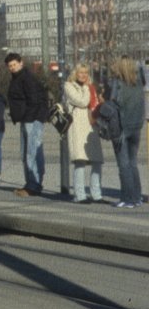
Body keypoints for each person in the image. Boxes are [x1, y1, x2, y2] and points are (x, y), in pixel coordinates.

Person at [5, 51, 49, 196]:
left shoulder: (26, 78)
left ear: (21, 62)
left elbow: (34, 100)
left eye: (14, 65)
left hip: (32, 119)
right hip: (27, 118)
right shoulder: (19, 78)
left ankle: (33, 185)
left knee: (32, 152)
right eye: (10, 66)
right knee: (27, 152)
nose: (12, 68)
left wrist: (28, 117)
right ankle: (31, 183)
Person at [107, 56, 146, 208]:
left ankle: (127, 198)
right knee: (133, 163)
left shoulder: (118, 82)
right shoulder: (138, 82)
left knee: (123, 164)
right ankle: (137, 197)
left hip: (122, 127)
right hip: (137, 126)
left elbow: (115, 101)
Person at [62, 63, 104, 204]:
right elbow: (82, 101)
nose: (83, 75)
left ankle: (96, 193)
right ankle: (79, 195)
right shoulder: (69, 86)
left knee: (97, 160)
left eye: (86, 72)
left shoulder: (91, 87)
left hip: (91, 127)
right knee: (80, 161)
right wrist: (87, 88)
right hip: (77, 127)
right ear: (75, 73)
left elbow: (95, 104)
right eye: (80, 72)